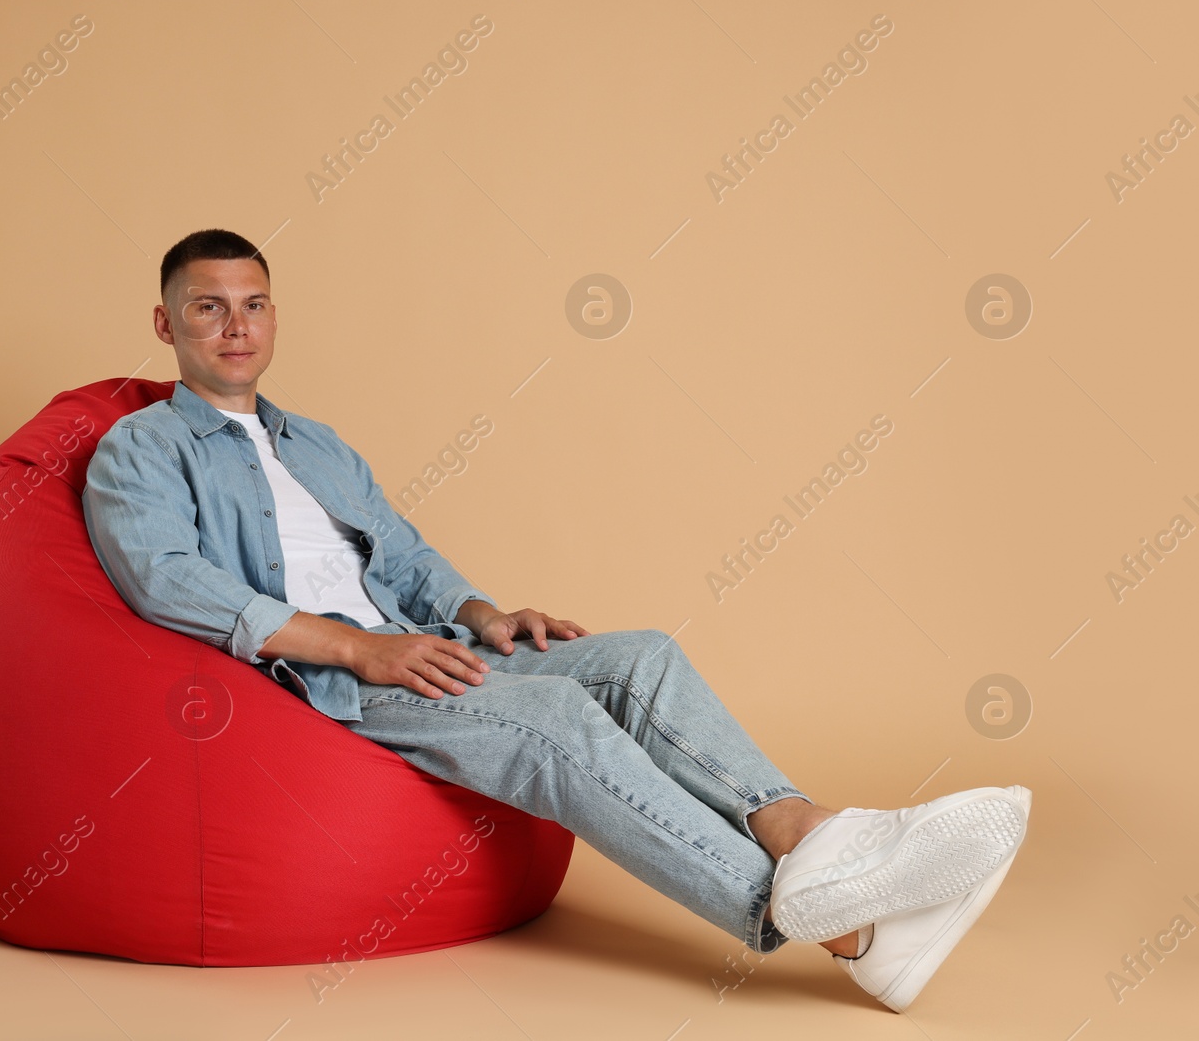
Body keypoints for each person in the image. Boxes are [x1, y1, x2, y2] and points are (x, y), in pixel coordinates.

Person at [81, 228, 1031, 1012]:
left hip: (429, 650)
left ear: (274, 316)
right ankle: (852, 923)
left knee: (641, 658)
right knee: (561, 724)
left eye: (252, 304)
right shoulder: (143, 447)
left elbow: (405, 555)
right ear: (167, 323)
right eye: (209, 306)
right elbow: (163, 578)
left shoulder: (316, 443)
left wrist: (481, 613)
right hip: (331, 682)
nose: (234, 326)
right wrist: (356, 648)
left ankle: (812, 835)